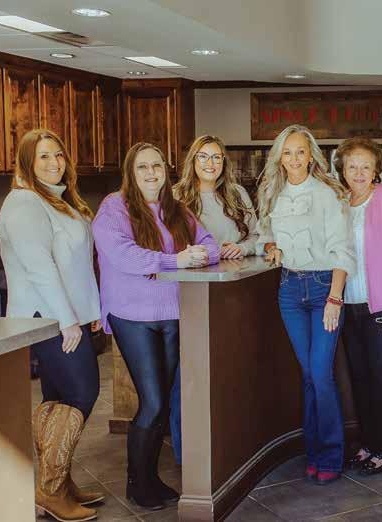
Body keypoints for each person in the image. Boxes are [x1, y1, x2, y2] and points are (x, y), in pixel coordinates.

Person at [93, 142, 219, 509]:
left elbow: (210, 244)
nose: (151, 173)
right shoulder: (114, 207)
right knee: (152, 402)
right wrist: (175, 260)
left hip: (172, 312)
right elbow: (122, 255)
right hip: (132, 314)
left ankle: (149, 477)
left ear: (166, 171)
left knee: (162, 404)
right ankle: (136, 482)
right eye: (143, 167)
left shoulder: (176, 209)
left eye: (157, 166)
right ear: (130, 173)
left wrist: (198, 256)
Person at [0, 129, 102, 521]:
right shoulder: (25, 203)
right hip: (49, 317)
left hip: (66, 315)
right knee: (82, 393)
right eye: (43, 156)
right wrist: (69, 322)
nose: (54, 162)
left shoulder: (55, 200)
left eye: (58, 154)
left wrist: (88, 311)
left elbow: (76, 265)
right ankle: (51, 490)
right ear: (27, 161)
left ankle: (58, 483)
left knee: (58, 397)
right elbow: (40, 268)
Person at [256, 124, 355, 485]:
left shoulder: (327, 194)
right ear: (279, 158)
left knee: (321, 374)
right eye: (288, 152)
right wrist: (271, 247)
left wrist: (335, 298)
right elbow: (264, 237)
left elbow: (343, 249)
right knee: (309, 376)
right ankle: (313, 452)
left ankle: (330, 454)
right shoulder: (273, 194)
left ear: (311, 155)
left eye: (301, 151)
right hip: (289, 290)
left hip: (323, 287)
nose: (295, 158)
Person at [170, 135, 258, 464]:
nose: (211, 163)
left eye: (217, 157)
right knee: (189, 376)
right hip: (190, 296)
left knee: (229, 370)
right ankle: (187, 454)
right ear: (192, 161)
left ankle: (227, 446)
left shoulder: (236, 194)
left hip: (233, 296)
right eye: (203, 157)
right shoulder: (176, 196)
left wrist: (243, 247)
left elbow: (258, 235)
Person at [333, 137, 382, 475]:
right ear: (342, 170)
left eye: (366, 166)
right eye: (352, 166)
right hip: (348, 305)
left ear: (376, 169)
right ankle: (367, 443)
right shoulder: (338, 202)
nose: (359, 172)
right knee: (360, 378)